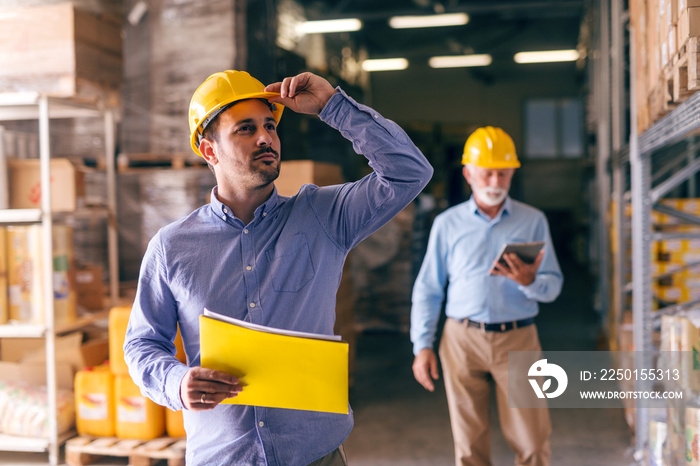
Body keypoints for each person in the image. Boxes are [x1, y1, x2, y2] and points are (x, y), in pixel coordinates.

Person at [123, 69, 432, 465]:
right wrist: (176, 381)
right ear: (209, 151)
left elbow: (410, 172)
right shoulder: (172, 247)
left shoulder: (324, 216)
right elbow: (142, 343)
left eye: (270, 126)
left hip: (316, 455)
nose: (265, 137)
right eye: (245, 129)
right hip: (224, 457)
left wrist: (333, 107)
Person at [410, 126, 563, 466]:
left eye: (503, 174)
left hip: (519, 339)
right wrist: (422, 346)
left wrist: (529, 281)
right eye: (487, 173)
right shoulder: (447, 225)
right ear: (468, 174)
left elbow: (552, 286)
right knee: (469, 447)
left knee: (534, 442)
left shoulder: (533, 221)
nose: (495, 182)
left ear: (512, 174)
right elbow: (429, 288)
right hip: (461, 340)